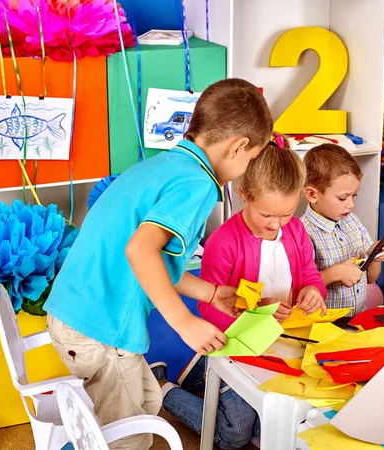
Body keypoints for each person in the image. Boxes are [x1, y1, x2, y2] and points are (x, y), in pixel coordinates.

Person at [44, 78, 273, 450]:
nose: (246, 167)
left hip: (75, 314)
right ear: (239, 146)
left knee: (147, 402)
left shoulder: (165, 164)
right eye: (251, 159)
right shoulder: (198, 184)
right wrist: (185, 324)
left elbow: (148, 259)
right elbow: (141, 251)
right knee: (130, 437)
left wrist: (210, 292)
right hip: (100, 328)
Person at [151, 133, 326, 449]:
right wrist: (258, 309)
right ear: (244, 194)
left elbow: (310, 273)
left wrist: (314, 290)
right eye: (266, 215)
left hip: (285, 343)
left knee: (287, 424)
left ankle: (201, 376)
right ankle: (164, 387)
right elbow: (208, 305)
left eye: (285, 214)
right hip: (237, 348)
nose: (276, 225)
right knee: (233, 437)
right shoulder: (224, 241)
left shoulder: (297, 230)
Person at [301, 144, 384, 316]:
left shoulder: (352, 221)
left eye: (353, 195)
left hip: (357, 317)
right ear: (312, 194)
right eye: (343, 197)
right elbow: (300, 287)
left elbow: (371, 279)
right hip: (323, 325)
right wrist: (336, 273)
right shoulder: (303, 233)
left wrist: (375, 257)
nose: (351, 204)